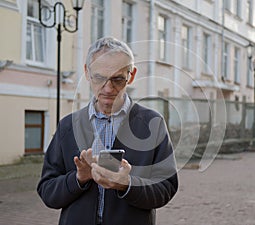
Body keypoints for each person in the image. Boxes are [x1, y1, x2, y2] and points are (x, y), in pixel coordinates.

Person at [37, 36, 178, 225]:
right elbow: (47, 191)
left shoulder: (152, 123)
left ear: (132, 75)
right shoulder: (68, 126)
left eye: (118, 79)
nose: (108, 88)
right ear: (87, 73)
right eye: (99, 78)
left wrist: (127, 185)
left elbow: (166, 187)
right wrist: (79, 178)